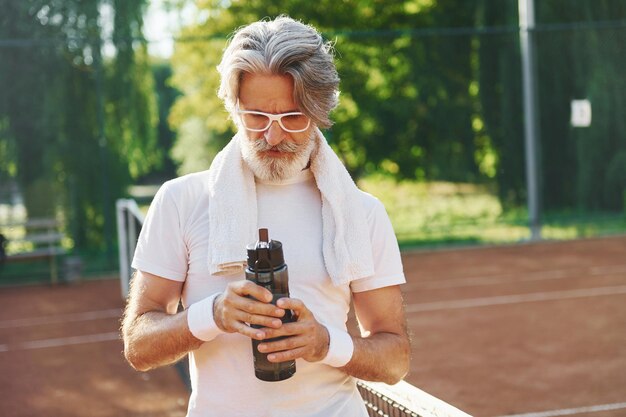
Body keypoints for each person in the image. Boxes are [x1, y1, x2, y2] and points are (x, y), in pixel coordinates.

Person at [122, 16, 410, 417]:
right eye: (256, 117)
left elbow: (394, 358)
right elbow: (138, 346)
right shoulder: (180, 201)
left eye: (292, 118)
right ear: (234, 108)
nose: (273, 137)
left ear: (320, 111)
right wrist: (212, 315)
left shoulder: (362, 212)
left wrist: (324, 343)